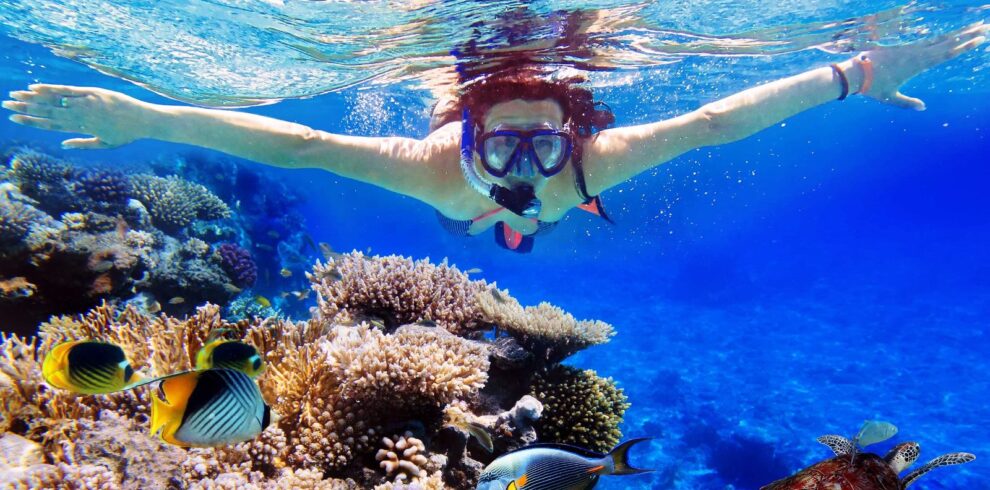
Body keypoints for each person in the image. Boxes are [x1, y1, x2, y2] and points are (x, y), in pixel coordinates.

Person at [4, 23, 987, 252]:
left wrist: (856, 74)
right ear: (465, 127)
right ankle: (502, 233)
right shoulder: (435, 165)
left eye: (542, 146)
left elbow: (714, 120)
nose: (524, 161)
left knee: (529, 222)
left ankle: (519, 235)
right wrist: (137, 117)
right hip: (467, 211)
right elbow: (291, 145)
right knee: (492, 222)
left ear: (574, 131)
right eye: (504, 144)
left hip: (553, 209)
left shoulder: (593, 159)